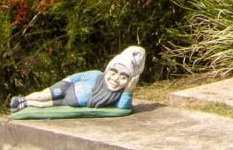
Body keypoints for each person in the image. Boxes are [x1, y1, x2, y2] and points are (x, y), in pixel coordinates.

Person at [10, 45, 146, 113]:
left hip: (72, 102)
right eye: (113, 72)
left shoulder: (116, 96)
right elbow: (78, 76)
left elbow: (122, 108)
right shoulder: (96, 76)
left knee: (46, 105)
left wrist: (128, 90)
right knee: (43, 96)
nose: (115, 79)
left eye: (123, 77)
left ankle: (26, 104)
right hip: (67, 87)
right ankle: (24, 99)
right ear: (107, 70)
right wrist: (66, 81)